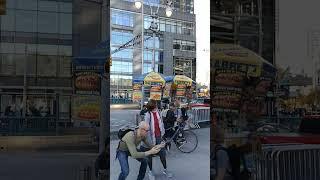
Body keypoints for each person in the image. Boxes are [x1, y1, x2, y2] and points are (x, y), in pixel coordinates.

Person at [142, 99, 173, 179]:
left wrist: (163, 135)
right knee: (150, 155)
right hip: (150, 138)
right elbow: (146, 128)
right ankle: (151, 171)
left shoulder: (158, 112)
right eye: (155, 105)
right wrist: (150, 142)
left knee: (162, 154)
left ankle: (165, 170)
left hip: (159, 137)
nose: (157, 106)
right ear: (152, 106)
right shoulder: (148, 115)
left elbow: (161, 123)